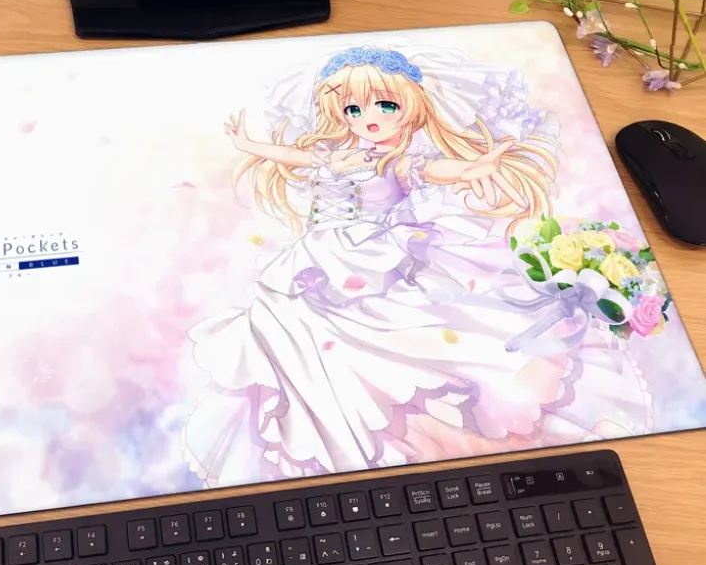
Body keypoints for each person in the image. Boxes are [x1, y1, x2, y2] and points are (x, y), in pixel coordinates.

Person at [181, 44, 653, 487]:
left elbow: (436, 170)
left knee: (400, 332)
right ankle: (332, 421)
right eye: (353, 109)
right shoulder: (335, 153)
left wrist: (473, 169)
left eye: (385, 105)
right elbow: (295, 155)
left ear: (411, 105)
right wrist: (250, 144)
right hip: (317, 255)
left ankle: (400, 416)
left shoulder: (399, 160)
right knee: (284, 319)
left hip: (372, 254)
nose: (368, 118)